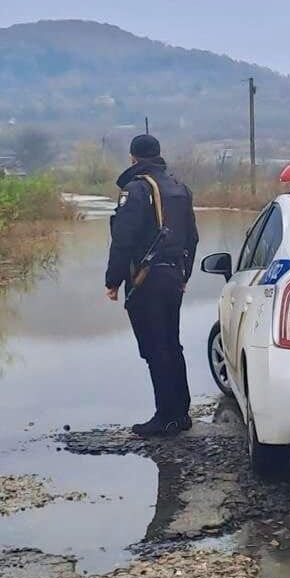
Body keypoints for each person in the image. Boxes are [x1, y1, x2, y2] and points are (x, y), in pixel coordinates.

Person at [105, 134, 198, 436]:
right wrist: (184, 276)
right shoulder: (179, 188)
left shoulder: (136, 190)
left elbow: (123, 239)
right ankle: (180, 414)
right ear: (158, 154)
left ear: (132, 158)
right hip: (173, 276)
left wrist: (113, 281)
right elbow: (192, 238)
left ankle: (165, 417)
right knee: (172, 344)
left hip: (147, 279)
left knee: (155, 349)